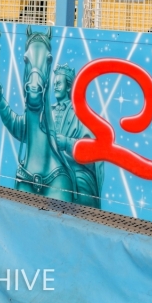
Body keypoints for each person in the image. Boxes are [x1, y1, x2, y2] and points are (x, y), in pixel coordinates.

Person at [49, 65, 102, 208]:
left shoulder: (80, 113)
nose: (55, 87)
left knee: (81, 188)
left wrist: (67, 143)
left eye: (58, 83)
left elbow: (92, 150)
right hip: (51, 168)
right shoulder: (49, 112)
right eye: (54, 84)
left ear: (68, 87)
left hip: (75, 170)